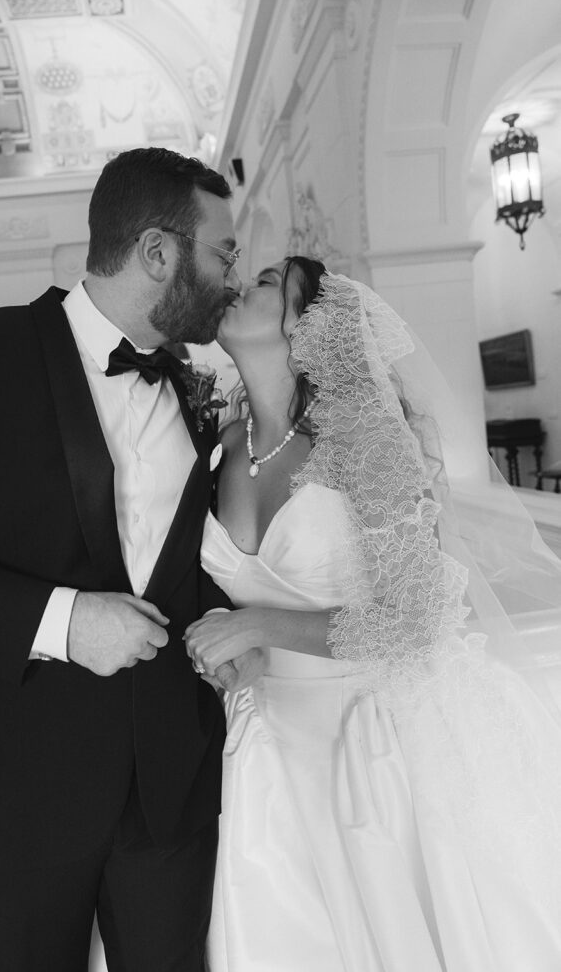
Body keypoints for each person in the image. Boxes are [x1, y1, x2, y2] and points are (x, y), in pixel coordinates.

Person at [0, 147, 262, 972]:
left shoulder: (200, 390)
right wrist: (59, 620)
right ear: (158, 253)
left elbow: (178, 557)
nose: (235, 275)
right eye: (222, 253)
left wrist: (225, 625)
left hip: (171, 796)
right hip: (9, 801)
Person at [185, 257, 561, 971]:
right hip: (265, 740)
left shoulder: (361, 440)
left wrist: (257, 626)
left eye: (265, 283)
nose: (240, 287)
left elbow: (414, 619)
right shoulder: (217, 445)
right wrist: (235, 646)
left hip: (373, 735)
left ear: (308, 327)